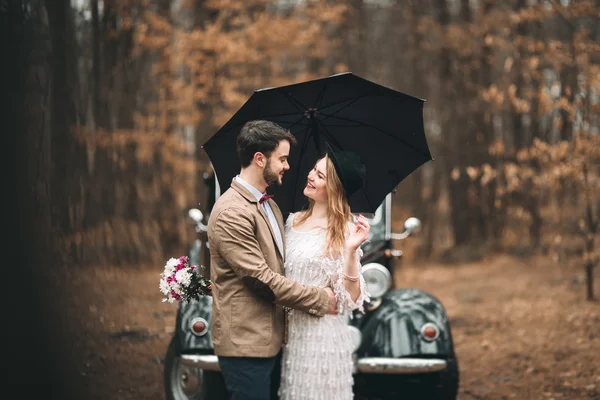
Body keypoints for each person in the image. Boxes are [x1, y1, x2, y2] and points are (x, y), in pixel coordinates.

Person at [207, 120, 338, 400]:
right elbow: (262, 281)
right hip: (246, 346)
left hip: (273, 341)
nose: (288, 166)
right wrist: (320, 299)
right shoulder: (232, 212)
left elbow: (282, 267)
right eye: (282, 159)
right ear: (259, 159)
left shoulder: (270, 206)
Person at [278, 143, 371, 400]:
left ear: (334, 189)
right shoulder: (291, 221)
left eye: (320, 175)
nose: (310, 175)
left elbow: (350, 300)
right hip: (292, 337)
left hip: (323, 340)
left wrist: (351, 250)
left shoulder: (343, 232)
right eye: (314, 169)